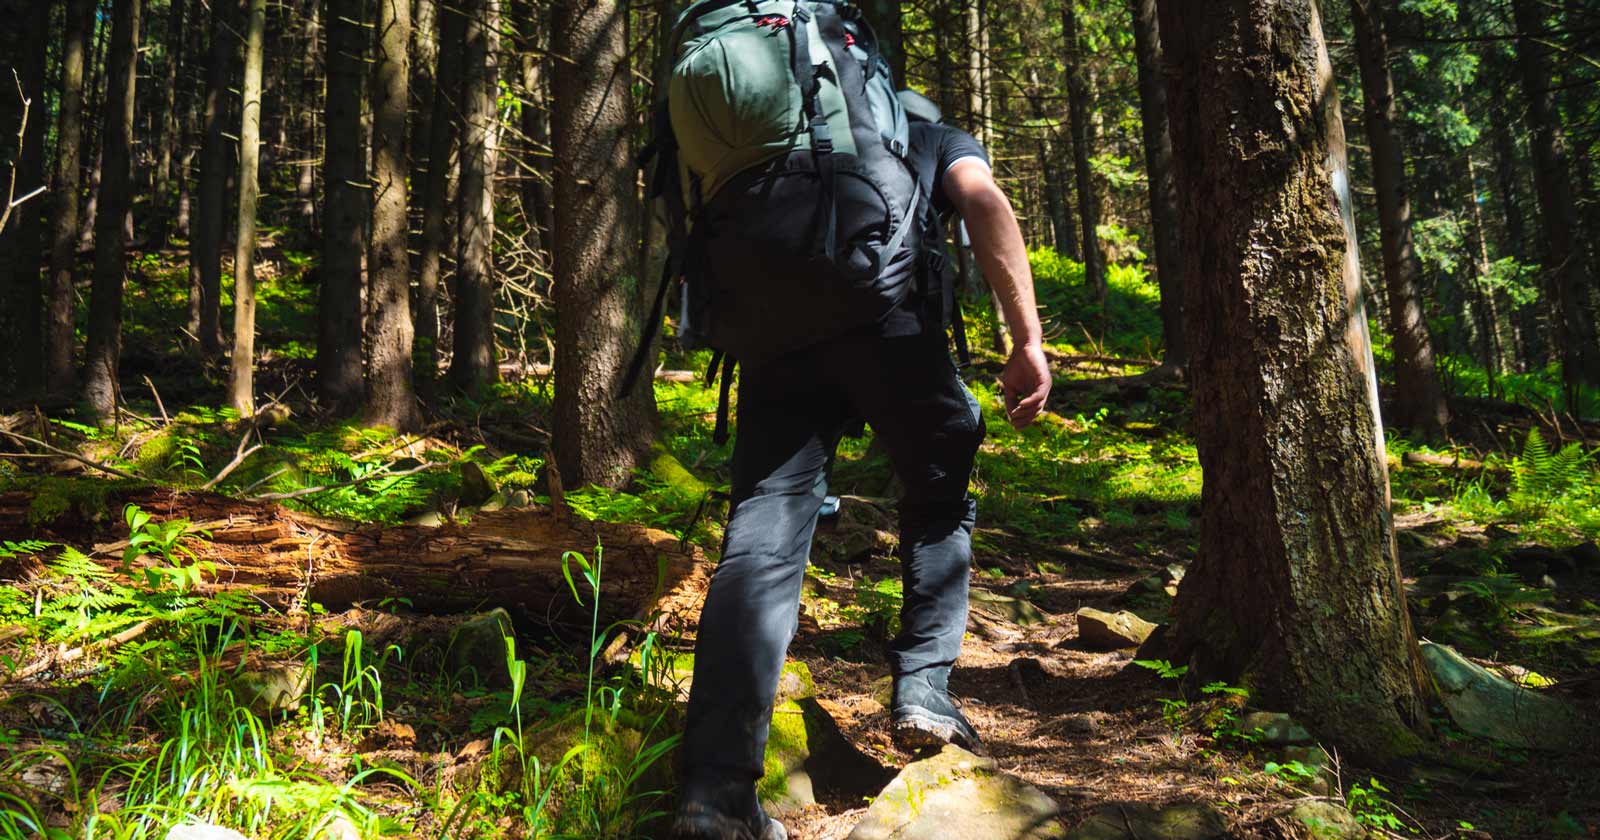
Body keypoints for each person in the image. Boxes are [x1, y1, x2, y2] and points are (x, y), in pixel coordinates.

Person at [671, 91, 1051, 840]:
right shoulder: (936, 136)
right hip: (894, 330)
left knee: (763, 533)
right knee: (939, 493)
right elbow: (983, 200)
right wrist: (1026, 339)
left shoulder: (788, 146)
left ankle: (714, 796)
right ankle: (922, 690)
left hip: (779, 338)